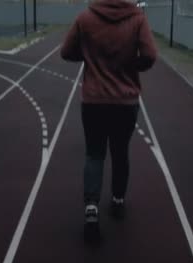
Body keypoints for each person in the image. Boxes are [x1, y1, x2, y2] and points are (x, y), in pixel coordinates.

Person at [61, 0, 157, 233]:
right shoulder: (138, 19)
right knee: (120, 152)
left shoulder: (85, 18)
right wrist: (131, 66)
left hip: (94, 101)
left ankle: (91, 208)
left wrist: (88, 58)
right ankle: (117, 201)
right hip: (125, 102)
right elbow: (150, 55)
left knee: (94, 154)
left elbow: (66, 52)